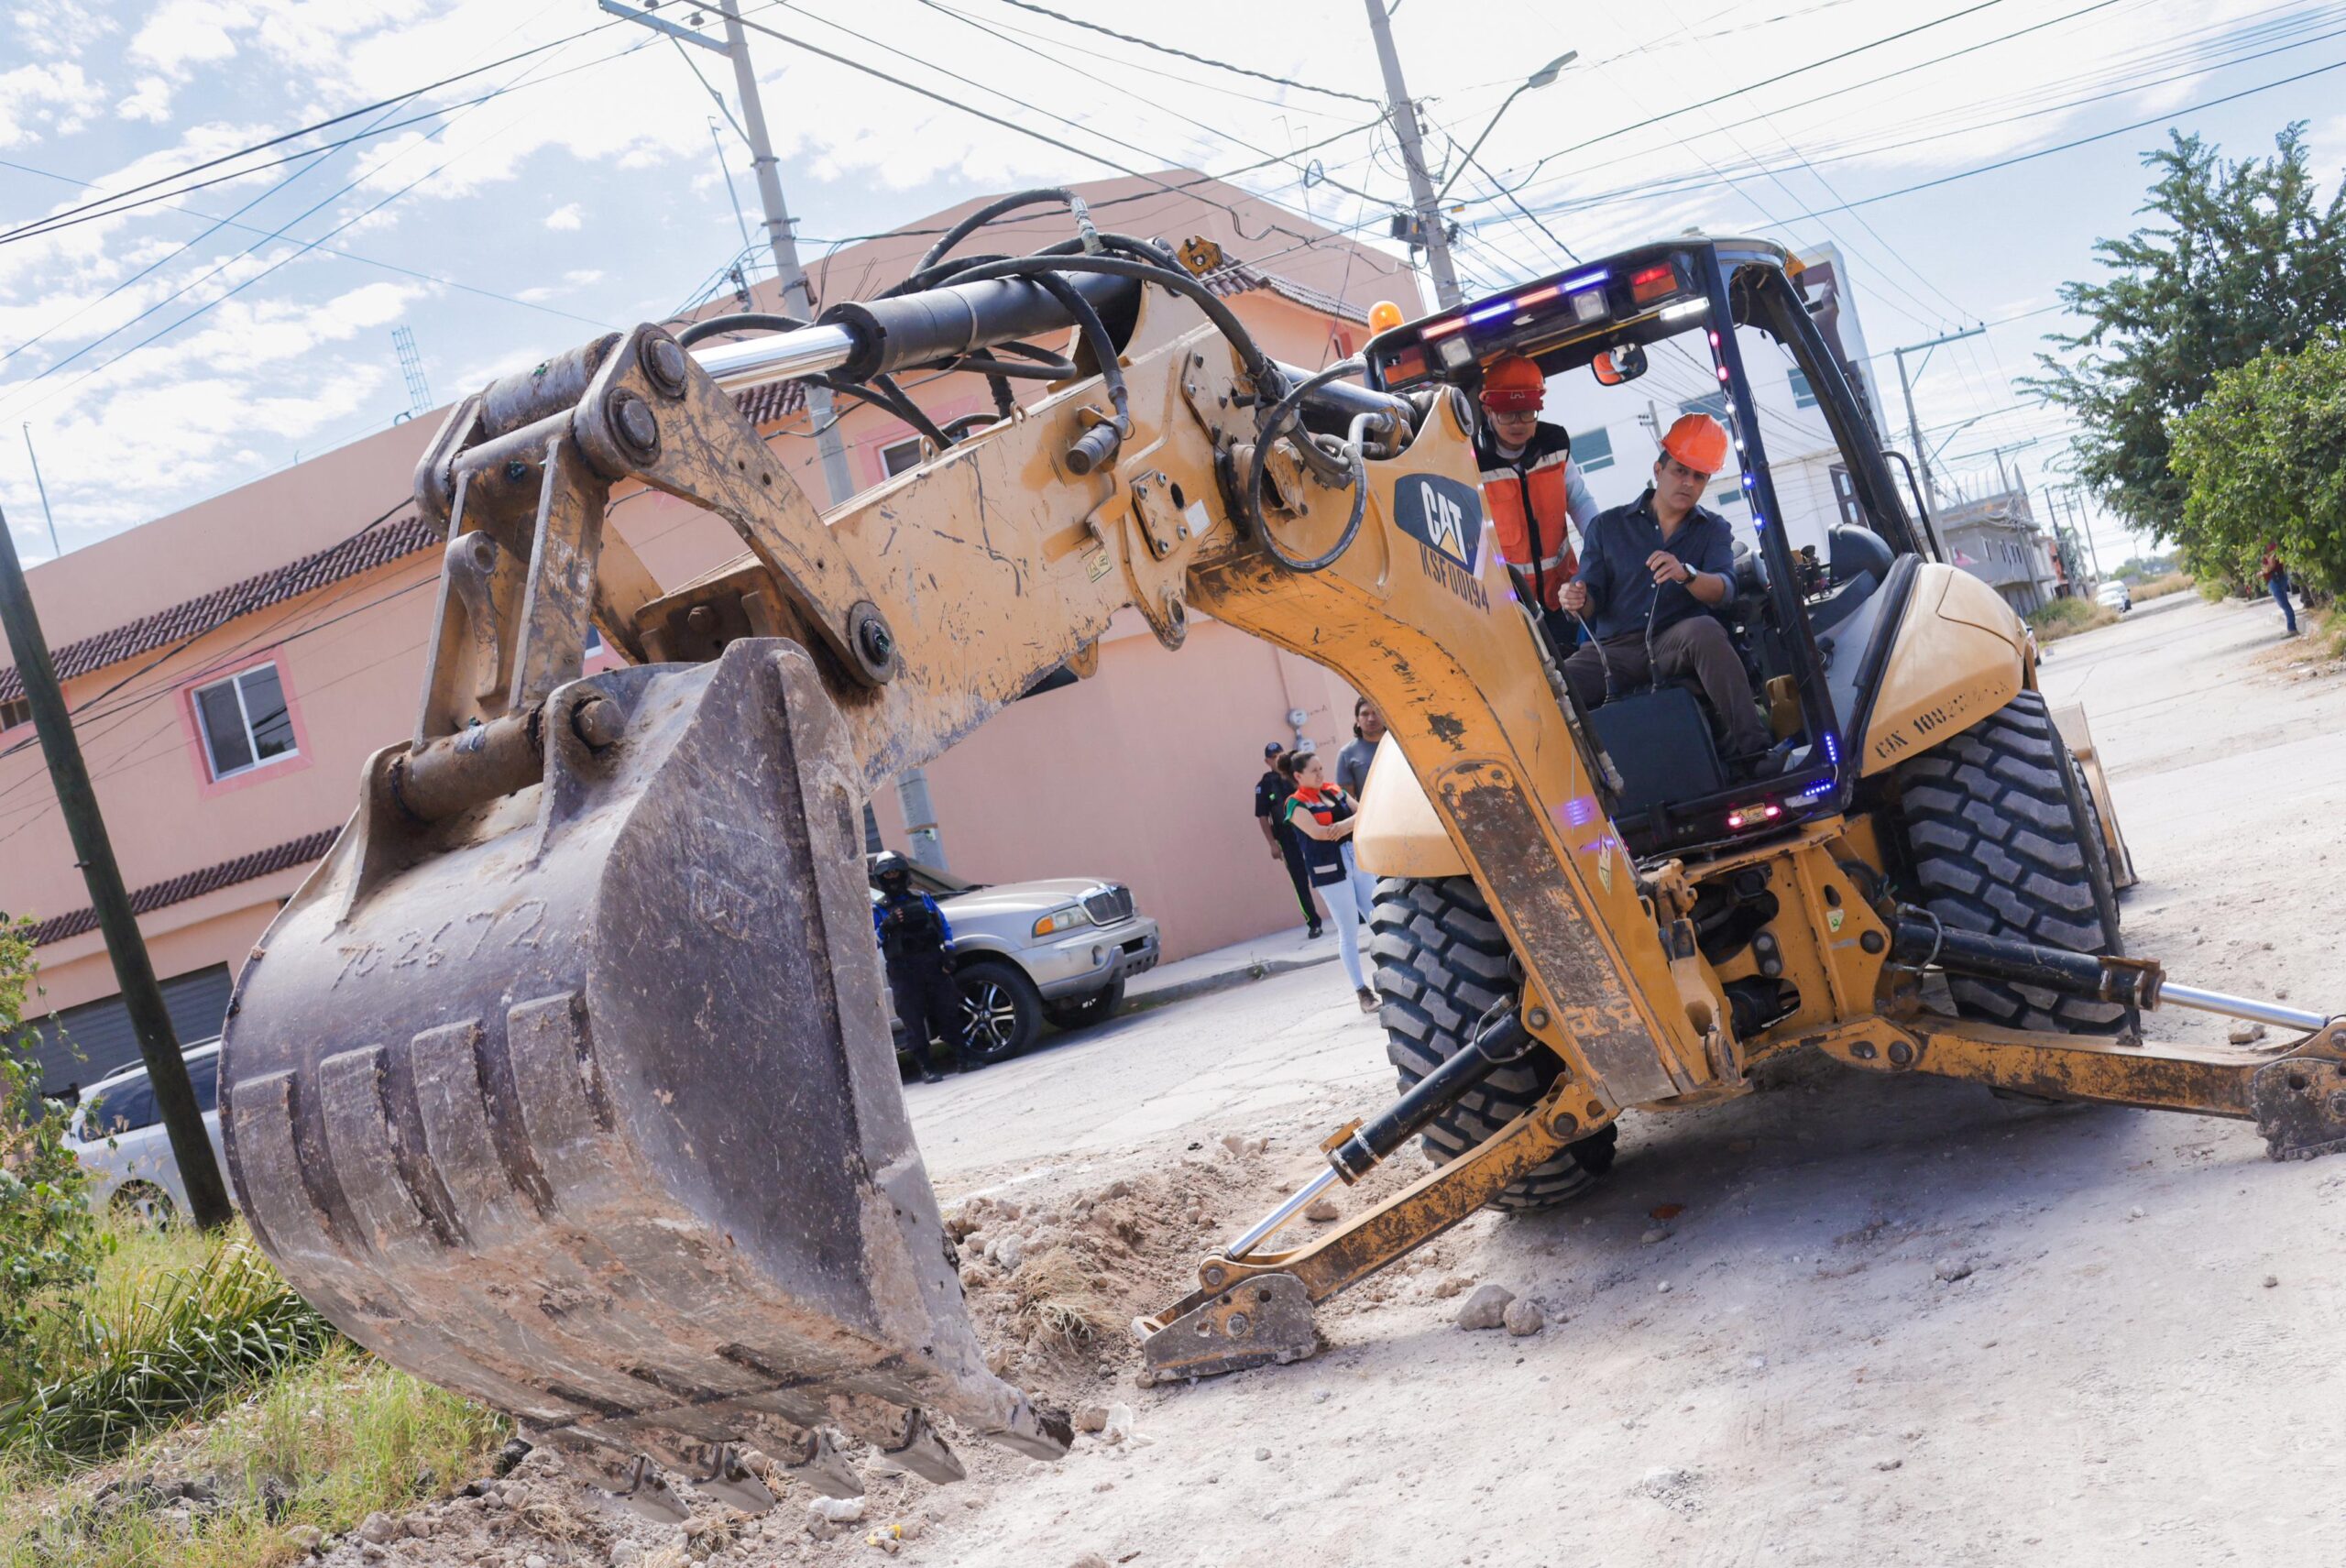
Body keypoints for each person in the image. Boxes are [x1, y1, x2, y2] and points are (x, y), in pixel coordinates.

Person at [1559, 413, 1773, 766]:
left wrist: (1686, 574)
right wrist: (1575, 599)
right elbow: (1588, 598)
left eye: (1699, 476)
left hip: (1675, 640)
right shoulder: (1606, 527)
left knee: (1705, 630)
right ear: (1658, 471)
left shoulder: (1713, 529)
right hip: (1615, 652)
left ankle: (1755, 751)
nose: (1688, 482)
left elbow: (1725, 590)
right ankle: (1586, 788)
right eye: (1680, 471)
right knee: (1555, 687)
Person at [1474, 354, 1599, 649]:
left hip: (1566, 598)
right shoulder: (1470, 463)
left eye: (1527, 412)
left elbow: (1579, 500)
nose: (1518, 423)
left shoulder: (1556, 444)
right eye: (1507, 414)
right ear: (1488, 410)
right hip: (1510, 611)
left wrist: (1602, 550)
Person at [1282, 750, 1377, 1014]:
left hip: (1355, 860)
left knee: (1377, 918)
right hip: (1328, 870)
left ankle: (1393, 976)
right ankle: (1362, 991)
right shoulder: (1295, 803)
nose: (1320, 774)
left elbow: (1365, 811)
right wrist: (1350, 824)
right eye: (1313, 771)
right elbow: (1319, 833)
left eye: (1321, 768)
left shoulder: (1333, 790)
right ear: (1298, 776)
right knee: (1348, 930)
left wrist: (1344, 826)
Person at [872, 850, 979, 1081]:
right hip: (903, 973)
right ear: (881, 878)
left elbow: (943, 925)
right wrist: (886, 926)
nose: (893, 878)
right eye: (888, 874)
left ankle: (964, 1058)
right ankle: (927, 1067)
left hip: (933, 965)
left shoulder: (922, 899)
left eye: (896, 873)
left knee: (948, 1012)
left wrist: (949, 951)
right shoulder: (878, 910)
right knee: (913, 1021)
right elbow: (871, 944)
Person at [1255, 740, 1324, 937]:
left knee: (1326, 872)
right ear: (1267, 761)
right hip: (1286, 838)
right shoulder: (1264, 786)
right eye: (1273, 757)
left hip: (1309, 832)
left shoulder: (1296, 776)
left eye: (1279, 755)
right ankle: (1313, 923)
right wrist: (1272, 844)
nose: (1277, 759)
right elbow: (1263, 817)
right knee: (1300, 881)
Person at [1333, 697, 1384, 913]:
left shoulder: (1399, 743)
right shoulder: (1347, 754)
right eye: (1364, 714)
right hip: (1375, 829)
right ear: (1356, 719)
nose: (1371, 718)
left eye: (1375, 712)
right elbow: (1347, 798)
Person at [2262, 541, 2299, 636]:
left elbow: (2271, 566)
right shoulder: (2266, 548)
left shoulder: (2271, 548)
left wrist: (2262, 572)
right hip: (2275, 578)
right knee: (2284, 603)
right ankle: (2291, 628)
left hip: (2275, 578)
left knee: (2284, 604)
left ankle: (2292, 628)